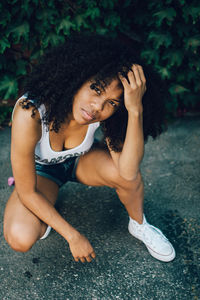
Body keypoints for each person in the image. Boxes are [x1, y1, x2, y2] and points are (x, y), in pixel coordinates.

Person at [3, 33, 175, 263]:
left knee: (127, 176)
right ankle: (44, 214)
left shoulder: (104, 113)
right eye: (96, 89)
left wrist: (134, 109)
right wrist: (72, 236)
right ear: (78, 77)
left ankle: (140, 225)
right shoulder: (30, 113)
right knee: (20, 237)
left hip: (80, 160)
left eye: (112, 102)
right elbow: (27, 192)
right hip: (42, 172)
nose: (97, 107)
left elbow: (128, 171)